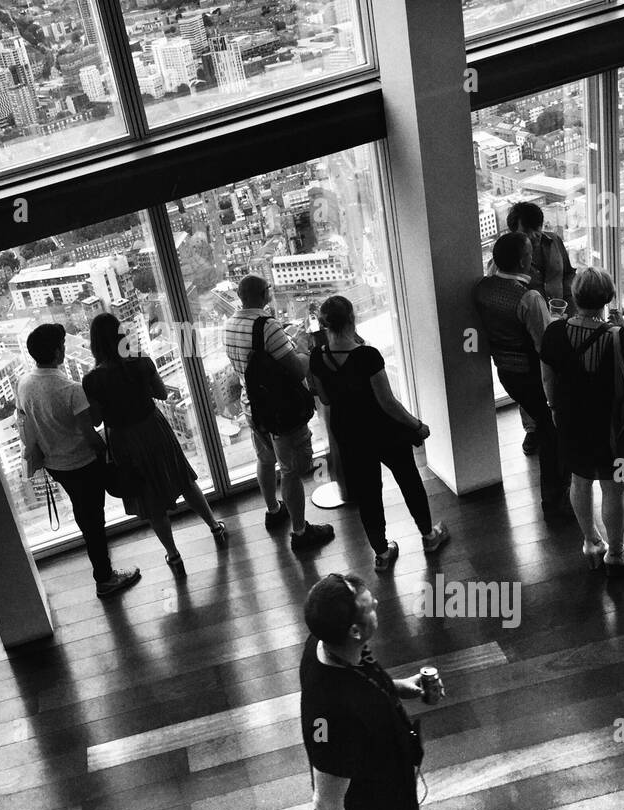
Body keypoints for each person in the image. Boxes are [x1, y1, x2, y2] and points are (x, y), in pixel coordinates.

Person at [307, 296, 449, 570]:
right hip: (383, 430)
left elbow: (324, 399)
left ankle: (382, 554)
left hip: (348, 432)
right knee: (409, 480)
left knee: (368, 494)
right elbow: (388, 403)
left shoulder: (317, 358)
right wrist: (416, 425)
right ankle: (429, 536)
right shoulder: (367, 356)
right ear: (352, 319)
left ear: (325, 324)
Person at [82, 313, 226, 577]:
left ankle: (173, 555)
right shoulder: (141, 362)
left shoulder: (92, 380)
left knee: (149, 498)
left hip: (124, 440)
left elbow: (95, 419)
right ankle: (215, 527)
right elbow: (161, 393)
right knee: (183, 478)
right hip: (153, 428)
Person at [300, 574, 435, 810]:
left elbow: (361, 681)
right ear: (354, 630)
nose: (376, 601)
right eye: (369, 606)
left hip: (391, 787)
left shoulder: (328, 643)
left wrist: (395, 687)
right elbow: (327, 804)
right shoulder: (332, 714)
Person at [538, 268, 624, 577]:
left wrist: (554, 409)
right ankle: (616, 554)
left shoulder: (554, 332)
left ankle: (591, 543)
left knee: (580, 480)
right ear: (609, 298)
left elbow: (548, 377)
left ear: (574, 296)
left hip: (572, 422)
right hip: (614, 428)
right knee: (614, 489)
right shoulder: (621, 337)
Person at [17, 322, 140, 600]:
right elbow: (89, 434)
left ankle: (104, 569)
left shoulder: (25, 384)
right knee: (93, 521)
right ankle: (105, 579)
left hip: (55, 464)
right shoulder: (69, 389)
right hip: (82, 463)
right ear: (57, 351)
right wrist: (107, 453)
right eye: (62, 344)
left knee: (87, 516)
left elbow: (25, 424)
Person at [223, 275, 335, 552]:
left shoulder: (229, 325)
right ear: (264, 294)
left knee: (264, 459)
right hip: (280, 410)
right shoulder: (268, 326)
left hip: (253, 406)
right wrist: (301, 350)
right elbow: (297, 370)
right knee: (292, 469)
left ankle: (274, 511)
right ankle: (300, 532)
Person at [473, 232, 570, 521]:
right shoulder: (529, 298)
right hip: (532, 375)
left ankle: (539, 442)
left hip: (506, 373)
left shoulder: (483, 288)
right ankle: (554, 502)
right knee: (554, 433)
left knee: (541, 423)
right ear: (523, 260)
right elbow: (546, 346)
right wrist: (560, 325)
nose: (533, 257)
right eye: (529, 253)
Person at [488, 203, 578, 455]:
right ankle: (533, 429)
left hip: (559, 317)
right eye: (528, 231)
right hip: (526, 323)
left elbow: (568, 273)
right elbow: (498, 285)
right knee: (532, 378)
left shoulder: (554, 241)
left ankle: (559, 421)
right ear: (513, 231)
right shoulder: (505, 253)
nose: (535, 236)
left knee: (558, 373)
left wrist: (572, 305)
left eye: (537, 229)